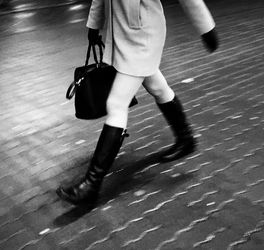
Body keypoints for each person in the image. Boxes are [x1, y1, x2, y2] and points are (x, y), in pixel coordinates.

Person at [56, 0, 219, 205]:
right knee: (158, 88)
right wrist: (94, 24)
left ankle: (91, 184)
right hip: (123, 35)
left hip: (143, 37)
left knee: (116, 104)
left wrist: (207, 29)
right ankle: (186, 140)